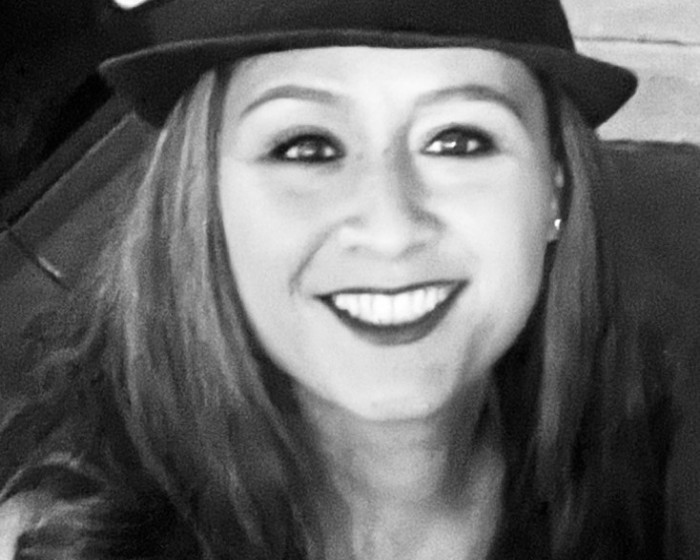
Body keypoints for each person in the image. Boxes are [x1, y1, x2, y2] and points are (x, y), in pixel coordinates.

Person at [0, 0, 684, 558]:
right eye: (306, 146)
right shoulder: (65, 540)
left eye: (458, 141)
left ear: (554, 191)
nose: (390, 229)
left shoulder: (655, 474)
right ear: (203, 202)